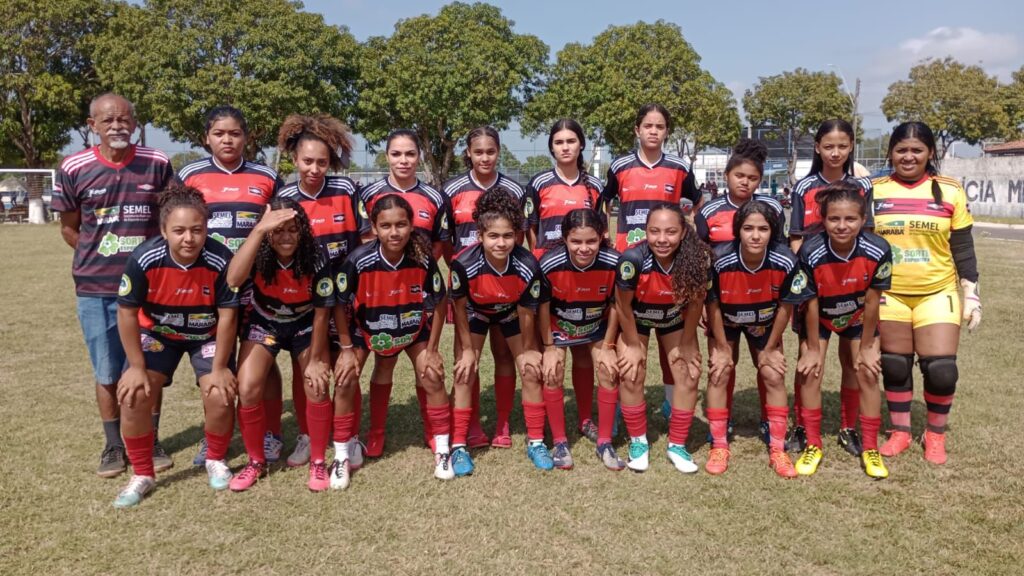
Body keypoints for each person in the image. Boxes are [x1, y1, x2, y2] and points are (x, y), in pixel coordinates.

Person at [52, 93, 178, 478]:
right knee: (107, 371)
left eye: (124, 119)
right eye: (107, 121)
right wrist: (101, 258)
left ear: (135, 123)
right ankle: (112, 445)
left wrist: (144, 268)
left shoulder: (157, 164)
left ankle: (150, 437)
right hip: (97, 289)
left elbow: (170, 219)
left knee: (148, 368)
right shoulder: (74, 167)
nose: (117, 126)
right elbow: (70, 228)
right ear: (92, 126)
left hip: (151, 291)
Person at [111, 186, 239, 507]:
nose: (188, 238)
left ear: (206, 229)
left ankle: (215, 458)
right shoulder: (144, 257)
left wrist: (221, 367)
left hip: (205, 334)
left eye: (197, 230)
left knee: (221, 394)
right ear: (164, 230)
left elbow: (227, 315)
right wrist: (136, 367)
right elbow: (126, 311)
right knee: (134, 394)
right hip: (159, 335)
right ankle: (143, 473)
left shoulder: (220, 258)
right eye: (179, 231)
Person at [179, 105, 284, 467]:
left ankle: (271, 433)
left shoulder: (266, 176)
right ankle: (215, 438)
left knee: (262, 361)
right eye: (220, 133)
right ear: (207, 137)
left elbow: (281, 227)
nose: (227, 139)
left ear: (246, 137)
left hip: (258, 288)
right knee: (214, 362)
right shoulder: (190, 175)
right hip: (207, 289)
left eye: (235, 133)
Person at [873, 122, 980, 465]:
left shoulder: (949, 190)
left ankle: (935, 435)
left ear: (930, 153)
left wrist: (972, 292)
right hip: (890, 293)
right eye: (901, 150)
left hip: (937, 291)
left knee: (941, 369)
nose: (908, 157)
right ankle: (901, 432)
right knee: (895, 366)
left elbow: (962, 247)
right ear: (891, 152)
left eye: (916, 150)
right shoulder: (873, 190)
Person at [333, 194, 453, 484]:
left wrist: (434, 349)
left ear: (412, 225)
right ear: (374, 227)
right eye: (385, 225)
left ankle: (441, 445)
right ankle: (345, 452)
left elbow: (439, 300)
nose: (394, 232)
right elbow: (338, 302)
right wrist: (347, 348)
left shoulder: (422, 258)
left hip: (413, 328)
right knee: (346, 378)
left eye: (401, 224)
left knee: (432, 374)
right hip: (369, 328)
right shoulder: (358, 260)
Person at [225, 199, 336, 492]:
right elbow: (234, 279)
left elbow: (323, 312)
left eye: (292, 229)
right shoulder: (259, 252)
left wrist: (315, 360)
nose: (285, 236)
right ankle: (255, 462)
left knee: (316, 384)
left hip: (305, 324)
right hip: (266, 323)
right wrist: (260, 230)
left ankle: (318, 462)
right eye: (278, 230)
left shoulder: (316, 257)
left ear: (303, 232)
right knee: (247, 387)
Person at [276, 114, 365, 467]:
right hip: (304, 302)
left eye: (322, 162)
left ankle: (352, 436)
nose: (314, 168)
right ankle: (308, 435)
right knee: (307, 369)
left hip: (345, 300)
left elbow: (365, 240)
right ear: (294, 160)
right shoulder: (283, 197)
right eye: (308, 161)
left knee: (347, 369)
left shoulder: (346, 191)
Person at [603, 104, 703, 416]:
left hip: (668, 258)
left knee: (668, 331)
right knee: (628, 330)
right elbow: (603, 202)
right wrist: (609, 239)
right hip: (630, 260)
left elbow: (697, 202)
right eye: (648, 125)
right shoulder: (619, 166)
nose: (653, 131)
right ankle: (623, 403)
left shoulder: (678, 166)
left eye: (659, 127)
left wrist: (685, 234)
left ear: (666, 132)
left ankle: (672, 402)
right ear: (637, 130)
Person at [789, 182, 892, 479]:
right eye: (834, 219)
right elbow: (809, 301)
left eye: (850, 219)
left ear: (863, 220)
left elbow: (873, 301)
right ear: (823, 220)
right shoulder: (810, 250)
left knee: (866, 371)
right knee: (811, 371)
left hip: (857, 316)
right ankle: (813, 442)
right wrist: (811, 346)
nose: (842, 226)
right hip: (819, 316)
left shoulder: (879, 249)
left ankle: (869, 445)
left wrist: (870, 344)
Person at [359, 130, 453, 454]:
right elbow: (362, 244)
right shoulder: (368, 193)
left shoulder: (435, 197)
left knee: (424, 364)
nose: (403, 160)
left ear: (419, 157)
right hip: (379, 297)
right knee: (383, 365)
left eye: (410, 154)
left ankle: (432, 430)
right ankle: (376, 432)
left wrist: (415, 274)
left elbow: (441, 243)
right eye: (397, 154)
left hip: (416, 294)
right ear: (387, 156)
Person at [785, 119, 874, 456]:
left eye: (842, 146)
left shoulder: (863, 186)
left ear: (851, 147)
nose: (835, 152)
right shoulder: (803, 187)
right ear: (818, 148)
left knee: (853, 362)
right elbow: (796, 239)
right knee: (810, 361)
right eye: (828, 146)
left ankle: (848, 428)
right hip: (814, 291)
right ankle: (802, 425)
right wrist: (807, 284)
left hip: (852, 289)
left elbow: (867, 236)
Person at [450, 188, 550, 472]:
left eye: (507, 236)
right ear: (479, 236)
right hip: (475, 312)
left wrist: (530, 350)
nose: (501, 242)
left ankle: (536, 441)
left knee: (531, 370)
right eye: (493, 236)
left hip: (510, 312)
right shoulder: (462, 264)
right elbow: (458, 307)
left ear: (517, 235)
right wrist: (468, 350)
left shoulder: (528, 264)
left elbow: (526, 311)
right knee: (465, 370)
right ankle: (458, 446)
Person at [442, 126, 528, 448]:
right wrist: (461, 270)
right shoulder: (451, 189)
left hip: (504, 287)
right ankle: (472, 425)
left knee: (504, 354)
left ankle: (503, 425)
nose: (484, 157)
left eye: (490, 151)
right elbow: (446, 240)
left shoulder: (514, 190)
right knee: (467, 356)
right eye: (478, 152)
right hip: (469, 288)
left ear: (499, 152)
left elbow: (518, 240)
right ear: (468, 153)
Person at [695, 139, 785, 443]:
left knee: (769, 366)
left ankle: (768, 422)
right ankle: (722, 424)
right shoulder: (708, 212)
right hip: (722, 305)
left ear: (760, 180)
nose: (745, 182)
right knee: (722, 364)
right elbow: (699, 260)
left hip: (764, 305)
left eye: (752, 178)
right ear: (726, 175)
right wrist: (703, 308)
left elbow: (780, 258)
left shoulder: (771, 208)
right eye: (739, 176)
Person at [705, 200, 801, 476]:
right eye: (748, 228)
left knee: (772, 373)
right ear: (738, 231)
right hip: (727, 321)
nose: (756, 235)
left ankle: (778, 449)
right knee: (720, 372)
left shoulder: (785, 260)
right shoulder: (720, 260)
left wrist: (771, 348)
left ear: (773, 231)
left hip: (764, 323)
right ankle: (719, 445)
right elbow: (712, 305)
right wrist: (721, 347)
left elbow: (786, 306)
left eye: (763, 228)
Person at [615, 203, 710, 473]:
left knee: (689, 372)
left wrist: (688, 343)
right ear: (645, 232)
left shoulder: (695, 259)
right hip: (638, 320)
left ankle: (677, 445)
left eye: (670, 232)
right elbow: (622, 306)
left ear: (682, 233)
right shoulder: (632, 259)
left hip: (672, 319)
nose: (662, 239)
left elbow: (695, 304)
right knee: (631, 371)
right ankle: (638, 441)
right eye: (654, 231)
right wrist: (633, 345)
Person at [538, 209, 623, 470]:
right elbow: (541, 307)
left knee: (608, 370)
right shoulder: (549, 264)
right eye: (576, 241)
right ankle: (561, 442)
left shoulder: (614, 262)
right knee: (553, 371)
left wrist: (609, 346)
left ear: (602, 237)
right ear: (565, 239)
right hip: (557, 327)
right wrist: (549, 346)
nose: (584, 248)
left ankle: (603, 440)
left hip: (596, 327)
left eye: (591, 241)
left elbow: (618, 305)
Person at [525, 119, 604, 259]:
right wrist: (537, 259)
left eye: (571, 141)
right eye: (559, 142)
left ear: (581, 145)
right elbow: (531, 228)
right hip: (546, 266)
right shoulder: (538, 183)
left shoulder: (595, 185)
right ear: (551, 147)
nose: (565, 147)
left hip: (583, 264)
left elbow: (602, 230)